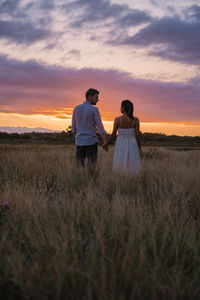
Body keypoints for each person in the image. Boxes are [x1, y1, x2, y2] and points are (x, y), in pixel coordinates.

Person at [103, 100, 141, 174]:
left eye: (121, 107)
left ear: (123, 108)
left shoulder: (117, 120)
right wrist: (139, 148)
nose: (120, 108)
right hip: (132, 143)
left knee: (119, 160)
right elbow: (137, 136)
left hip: (120, 143)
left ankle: (119, 176)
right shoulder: (136, 120)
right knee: (132, 162)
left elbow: (113, 135)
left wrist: (106, 144)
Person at [72, 88, 107, 167]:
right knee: (92, 167)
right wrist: (105, 141)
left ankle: (80, 179)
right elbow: (100, 127)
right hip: (91, 142)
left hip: (79, 142)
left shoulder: (76, 109)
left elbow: (73, 128)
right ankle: (91, 179)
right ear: (90, 97)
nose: (98, 100)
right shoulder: (94, 109)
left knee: (79, 167)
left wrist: (77, 139)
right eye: (96, 97)